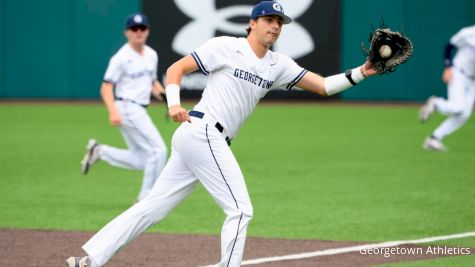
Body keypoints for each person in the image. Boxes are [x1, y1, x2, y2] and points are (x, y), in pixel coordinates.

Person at [67, 2, 380, 266]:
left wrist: (363, 72)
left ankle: (89, 261)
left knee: (152, 206)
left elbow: (324, 86)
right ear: (252, 23)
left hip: (202, 140)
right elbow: (176, 69)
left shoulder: (278, 64)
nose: (275, 26)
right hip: (202, 132)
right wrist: (174, 103)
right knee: (241, 210)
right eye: (269, 20)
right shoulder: (226, 46)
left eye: (279, 22)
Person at [80, 13, 167, 201]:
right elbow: (106, 87)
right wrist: (113, 112)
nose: (138, 32)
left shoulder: (152, 55)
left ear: (148, 31)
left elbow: (152, 83)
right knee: (158, 151)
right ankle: (146, 198)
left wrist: (167, 99)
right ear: (127, 32)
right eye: (134, 29)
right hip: (127, 107)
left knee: (141, 159)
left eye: (142, 28)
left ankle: (100, 151)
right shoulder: (121, 57)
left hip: (139, 109)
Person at [419, 25, 475, 151]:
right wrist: (448, 67)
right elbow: (449, 46)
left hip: (473, 81)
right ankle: (435, 103)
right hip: (459, 73)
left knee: (464, 114)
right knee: (458, 107)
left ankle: (434, 139)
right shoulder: (468, 33)